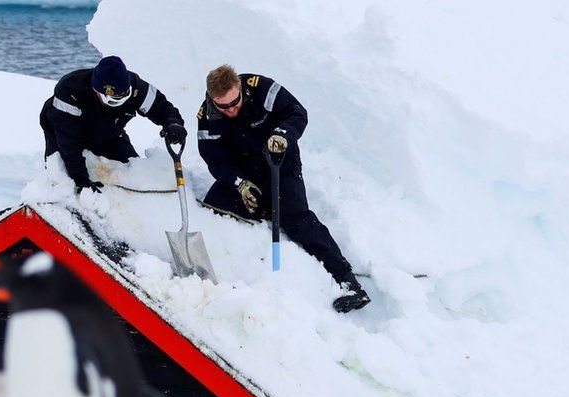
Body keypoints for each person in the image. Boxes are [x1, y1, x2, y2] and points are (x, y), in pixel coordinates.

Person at [195, 65, 370, 312]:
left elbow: (298, 112)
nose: (232, 109)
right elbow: (215, 160)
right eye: (224, 106)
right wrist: (240, 184)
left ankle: (347, 281)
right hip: (245, 172)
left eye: (236, 102)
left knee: (295, 217)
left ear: (240, 88)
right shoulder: (207, 117)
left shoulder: (262, 88)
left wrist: (283, 135)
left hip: (279, 162)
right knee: (213, 206)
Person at [40, 56, 187, 194]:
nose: (119, 100)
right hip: (63, 131)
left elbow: (162, 108)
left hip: (109, 131)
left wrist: (173, 124)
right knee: (63, 176)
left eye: (123, 96)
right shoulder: (70, 91)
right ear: (96, 90)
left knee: (132, 169)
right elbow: (68, 142)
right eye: (113, 99)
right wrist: (80, 179)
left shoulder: (137, 87)